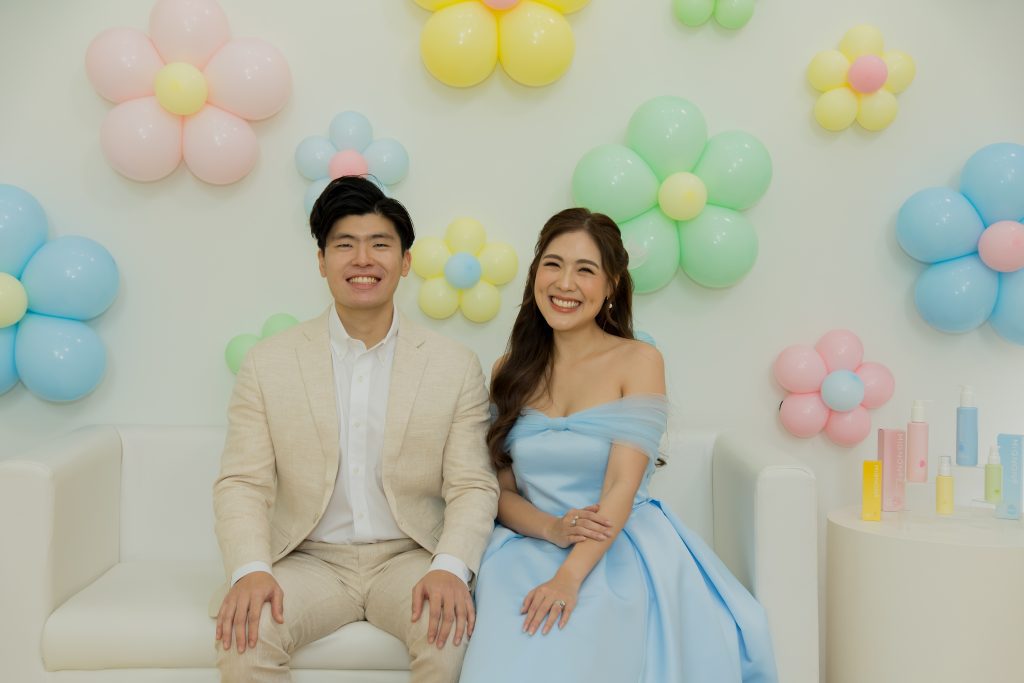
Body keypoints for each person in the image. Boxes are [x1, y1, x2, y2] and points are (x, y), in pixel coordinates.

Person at [459, 208, 778, 682]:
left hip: (616, 540)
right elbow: (501, 493)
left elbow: (620, 487)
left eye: (585, 270)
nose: (565, 283)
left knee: (584, 632)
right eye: (553, 264)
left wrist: (569, 577)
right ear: (535, 275)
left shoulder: (639, 360)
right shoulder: (509, 369)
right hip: (530, 541)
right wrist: (552, 529)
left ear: (610, 285)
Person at [212, 176, 499, 682]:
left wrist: (450, 567)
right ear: (321, 261)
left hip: (410, 556)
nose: (363, 259)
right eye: (345, 245)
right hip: (309, 560)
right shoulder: (268, 363)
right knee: (247, 637)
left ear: (405, 262)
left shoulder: (453, 365)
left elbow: (472, 483)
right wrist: (251, 569)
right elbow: (242, 482)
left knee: (449, 636)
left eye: (380, 244)